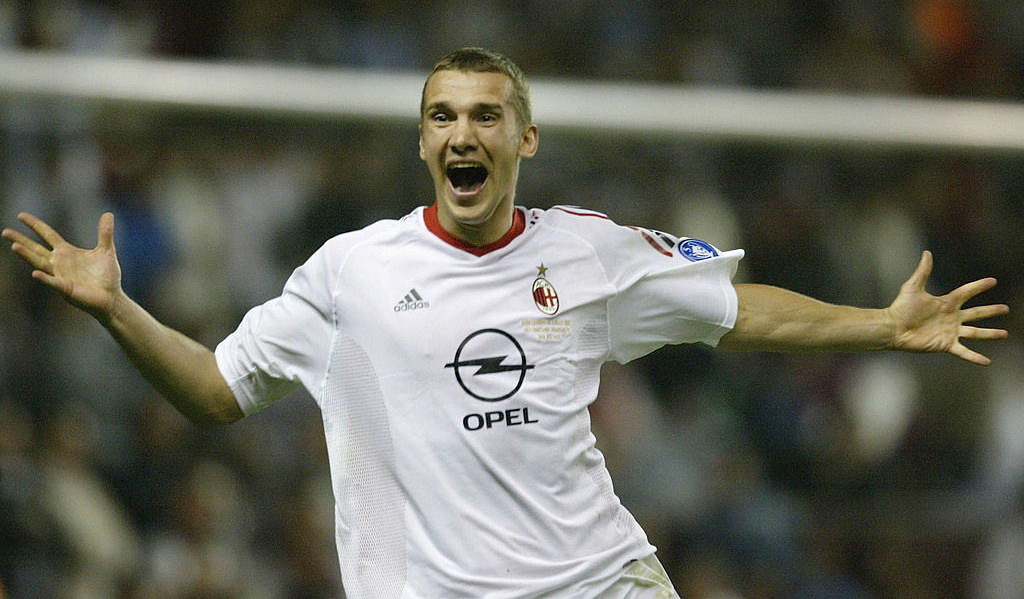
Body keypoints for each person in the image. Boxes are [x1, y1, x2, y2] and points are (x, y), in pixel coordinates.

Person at [3, 47, 1009, 598]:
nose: (463, 132)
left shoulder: (588, 248)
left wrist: (877, 323)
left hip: (597, 581)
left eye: (486, 114)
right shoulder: (350, 272)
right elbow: (218, 392)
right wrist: (117, 308)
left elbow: (734, 312)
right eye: (443, 115)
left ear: (524, 136)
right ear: (422, 140)